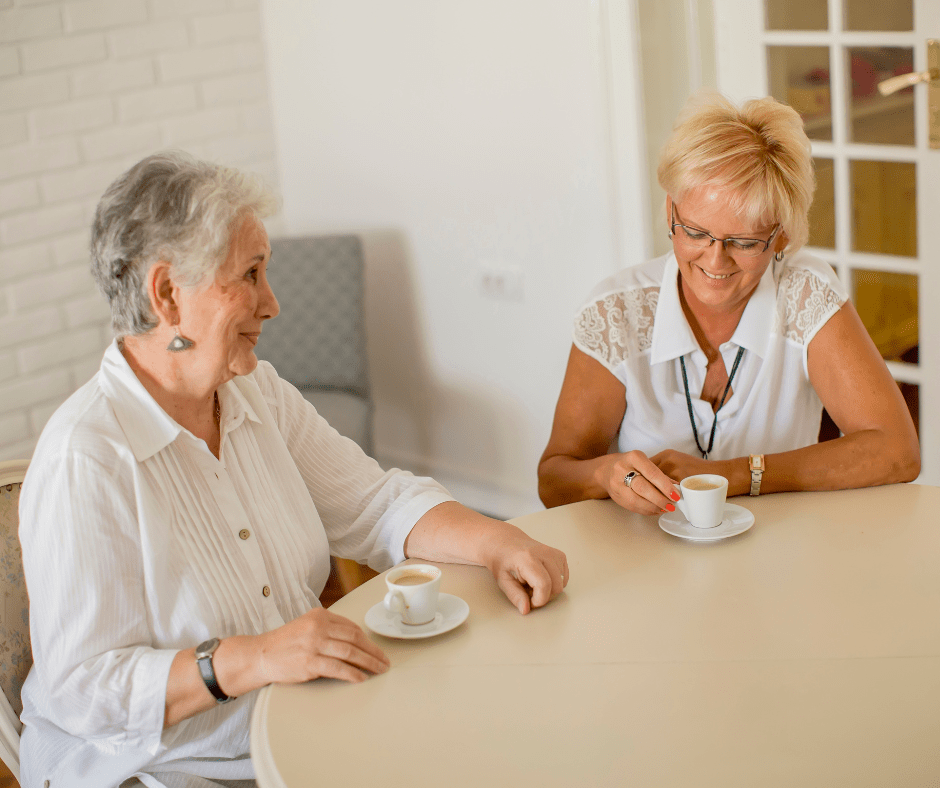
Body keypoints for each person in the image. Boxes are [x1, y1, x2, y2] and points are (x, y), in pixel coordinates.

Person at [18, 152, 568, 788]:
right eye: (250, 275)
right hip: (160, 769)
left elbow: (375, 504)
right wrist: (253, 659)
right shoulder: (84, 458)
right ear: (167, 294)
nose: (272, 303)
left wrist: (500, 538)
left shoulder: (256, 394)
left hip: (296, 722)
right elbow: (84, 690)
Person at [538, 94, 919, 515]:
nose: (715, 261)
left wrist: (735, 474)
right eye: (696, 233)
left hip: (780, 549)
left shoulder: (805, 294)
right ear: (670, 213)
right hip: (645, 554)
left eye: (743, 241)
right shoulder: (616, 311)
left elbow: (897, 451)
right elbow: (553, 481)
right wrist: (606, 475)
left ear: (782, 237)